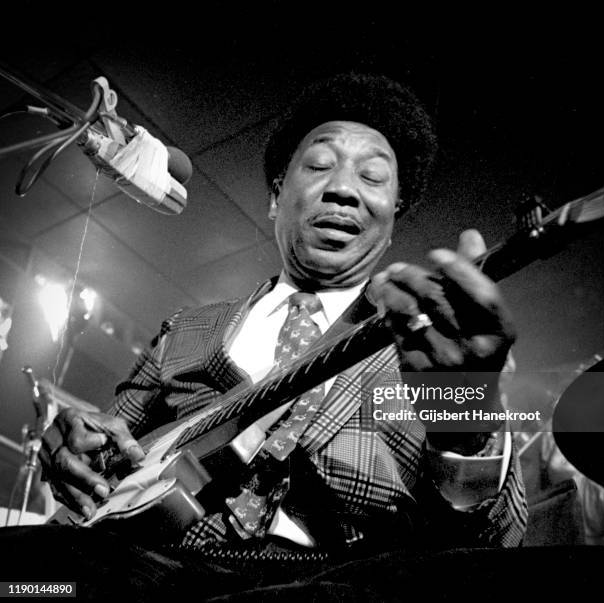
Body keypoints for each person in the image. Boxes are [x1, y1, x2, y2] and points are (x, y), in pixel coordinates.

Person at [1, 73, 530, 600]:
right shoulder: (187, 328)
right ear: (277, 196)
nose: (343, 188)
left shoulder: (430, 346)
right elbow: (105, 452)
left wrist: (467, 425)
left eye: (372, 177)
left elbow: (493, 547)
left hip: (327, 584)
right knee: (22, 583)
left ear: (392, 220)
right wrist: (70, 448)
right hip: (138, 569)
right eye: (320, 166)